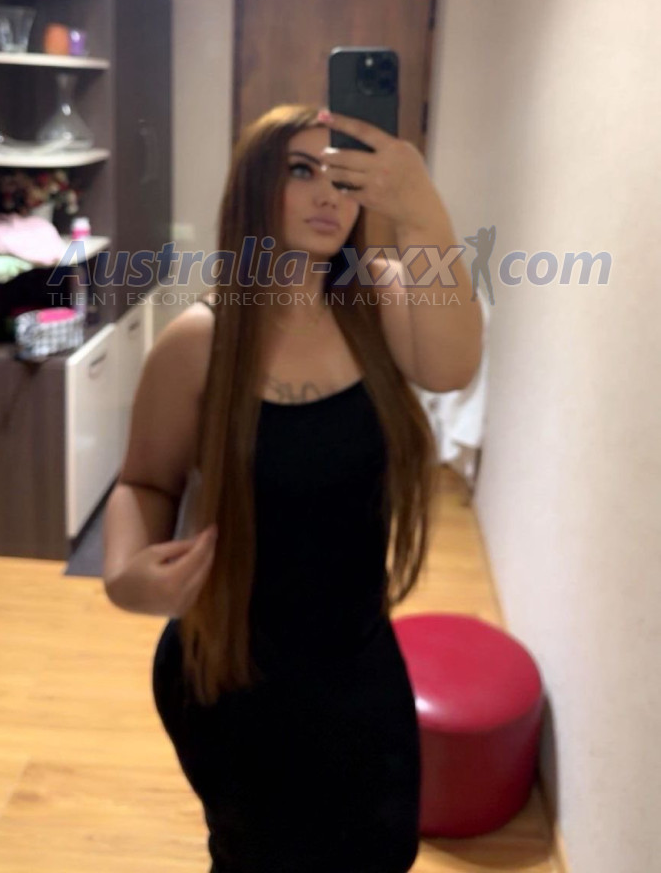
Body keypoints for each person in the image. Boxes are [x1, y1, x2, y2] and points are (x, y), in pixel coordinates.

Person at [102, 102, 482, 873]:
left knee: (380, 851)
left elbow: (452, 368)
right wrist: (124, 575)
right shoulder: (201, 342)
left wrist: (421, 208)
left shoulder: (378, 299)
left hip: (358, 657)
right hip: (233, 674)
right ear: (254, 189)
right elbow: (142, 482)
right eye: (300, 171)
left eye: (342, 177)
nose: (327, 195)